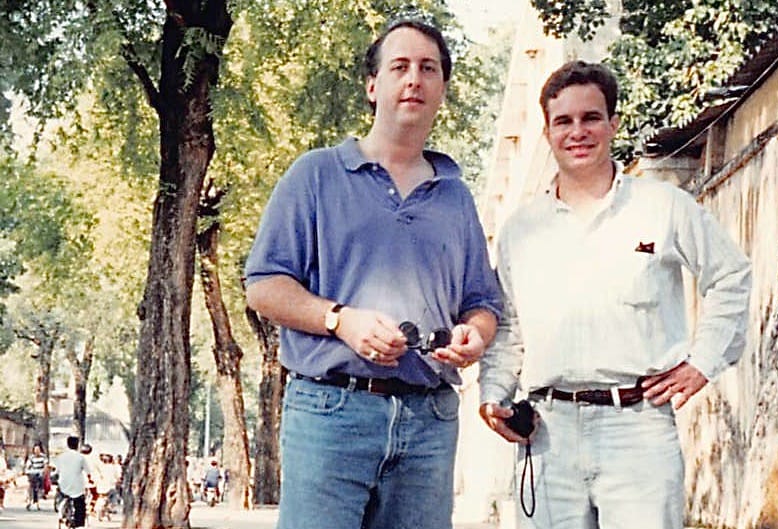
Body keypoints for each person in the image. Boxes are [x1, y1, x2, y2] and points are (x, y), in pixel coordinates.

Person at [244, 18, 502, 529]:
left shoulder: (456, 196)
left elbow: (483, 302)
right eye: (400, 67)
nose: (414, 80)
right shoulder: (314, 175)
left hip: (430, 422)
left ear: (442, 90)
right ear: (372, 85)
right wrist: (341, 320)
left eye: (428, 69)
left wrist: (476, 336)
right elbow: (264, 287)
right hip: (330, 413)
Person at [479, 60, 752, 529]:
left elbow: (730, 276)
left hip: (639, 432)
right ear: (547, 132)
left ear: (613, 124)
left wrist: (703, 362)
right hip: (547, 433)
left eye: (590, 118)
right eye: (563, 121)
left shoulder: (663, 207)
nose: (577, 132)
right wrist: (493, 393)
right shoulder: (520, 230)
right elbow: (509, 327)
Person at [55, 436, 93, 528]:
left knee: (60, 496)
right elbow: (88, 472)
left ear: (67, 445)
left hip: (63, 485)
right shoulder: (81, 457)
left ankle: (61, 513)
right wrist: (90, 479)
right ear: (77, 445)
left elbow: (57, 471)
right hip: (77, 488)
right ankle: (79, 523)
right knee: (80, 505)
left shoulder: (60, 457)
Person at [24, 443, 48, 510]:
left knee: (38, 488)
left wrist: (44, 472)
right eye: (35, 449)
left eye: (38, 449)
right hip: (33, 474)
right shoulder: (31, 457)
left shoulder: (43, 457)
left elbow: (45, 465)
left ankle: (37, 502)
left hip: (40, 474)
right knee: (31, 487)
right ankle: (29, 500)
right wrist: (27, 470)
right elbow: (28, 465)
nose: (37, 451)